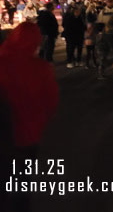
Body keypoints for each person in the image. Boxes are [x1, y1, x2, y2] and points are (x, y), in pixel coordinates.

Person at [0, 22, 59, 212]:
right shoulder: (40, 68)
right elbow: (51, 102)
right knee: (21, 181)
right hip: (28, 135)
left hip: (3, 135)